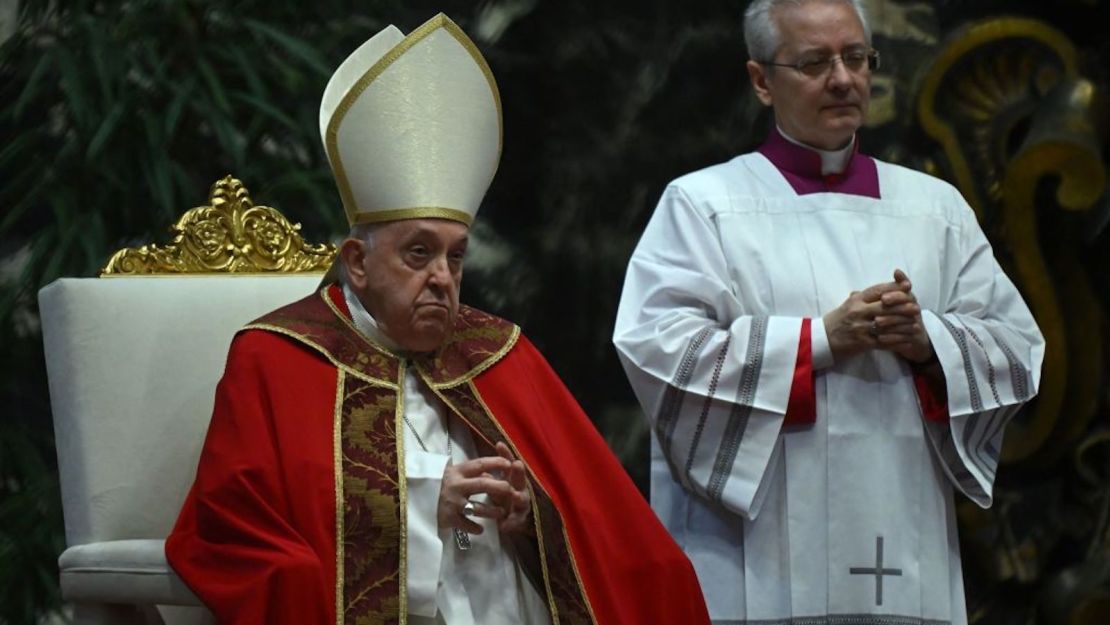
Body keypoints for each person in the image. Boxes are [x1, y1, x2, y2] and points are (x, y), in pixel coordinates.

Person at [166, 13, 710, 625]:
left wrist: (532, 516)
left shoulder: (497, 350)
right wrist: (421, 501)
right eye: (418, 253)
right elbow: (236, 520)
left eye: (456, 256)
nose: (443, 277)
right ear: (358, 262)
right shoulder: (280, 354)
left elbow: (598, 522)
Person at [612, 1, 1045, 624]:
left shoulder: (935, 209)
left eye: (856, 58)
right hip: (752, 556)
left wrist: (930, 342)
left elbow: (1016, 348)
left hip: (904, 529)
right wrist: (819, 340)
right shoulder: (703, 204)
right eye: (814, 62)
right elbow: (658, 350)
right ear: (762, 80)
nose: (843, 79)